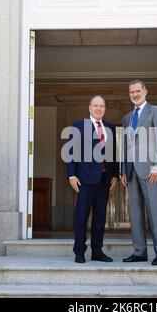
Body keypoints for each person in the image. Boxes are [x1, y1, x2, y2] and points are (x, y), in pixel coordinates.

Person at [121, 80, 157, 266]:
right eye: (132, 92)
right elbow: (125, 146)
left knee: (155, 211)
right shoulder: (127, 118)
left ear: (145, 92)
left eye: (138, 91)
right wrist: (123, 170)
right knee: (135, 213)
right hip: (132, 171)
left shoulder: (155, 111)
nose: (135, 94)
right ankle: (139, 251)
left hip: (150, 170)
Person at [66, 95, 119, 263]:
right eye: (95, 106)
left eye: (101, 106)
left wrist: (115, 175)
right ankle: (79, 252)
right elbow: (70, 153)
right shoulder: (79, 126)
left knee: (100, 217)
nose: (98, 109)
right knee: (81, 216)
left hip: (104, 180)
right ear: (89, 108)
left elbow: (113, 154)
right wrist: (71, 175)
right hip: (84, 179)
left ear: (104, 109)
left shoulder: (110, 127)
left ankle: (97, 251)